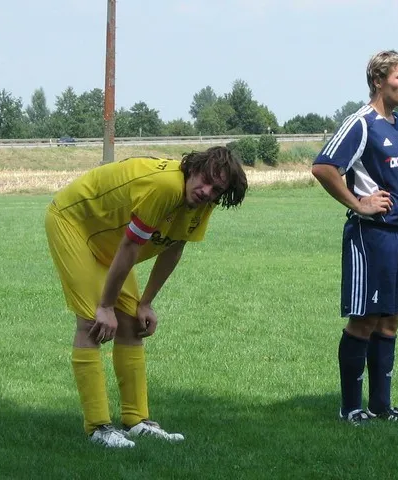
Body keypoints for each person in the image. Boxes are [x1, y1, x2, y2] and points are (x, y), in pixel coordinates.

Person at [45, 146, 248, 447]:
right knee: (92, 322)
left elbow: (174, 247)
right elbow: (130, 246)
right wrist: (105, 306)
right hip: (73, 221)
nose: (207, 192)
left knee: (131, 323)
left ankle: (136, 421)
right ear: (193, 168)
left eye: (216, 190)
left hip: (107, 234)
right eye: (205, 181)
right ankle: (98, 428)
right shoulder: (165, 186)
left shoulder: (203, 202)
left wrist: (145, 303)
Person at [311, 50, 398, 426]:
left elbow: (392, 172)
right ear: (378, 81)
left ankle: (381, 405)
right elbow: (323, 167)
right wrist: (359, 204)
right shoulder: (360, 123)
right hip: (370, 237)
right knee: (364, 321)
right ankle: (350, 407)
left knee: (390, 322)